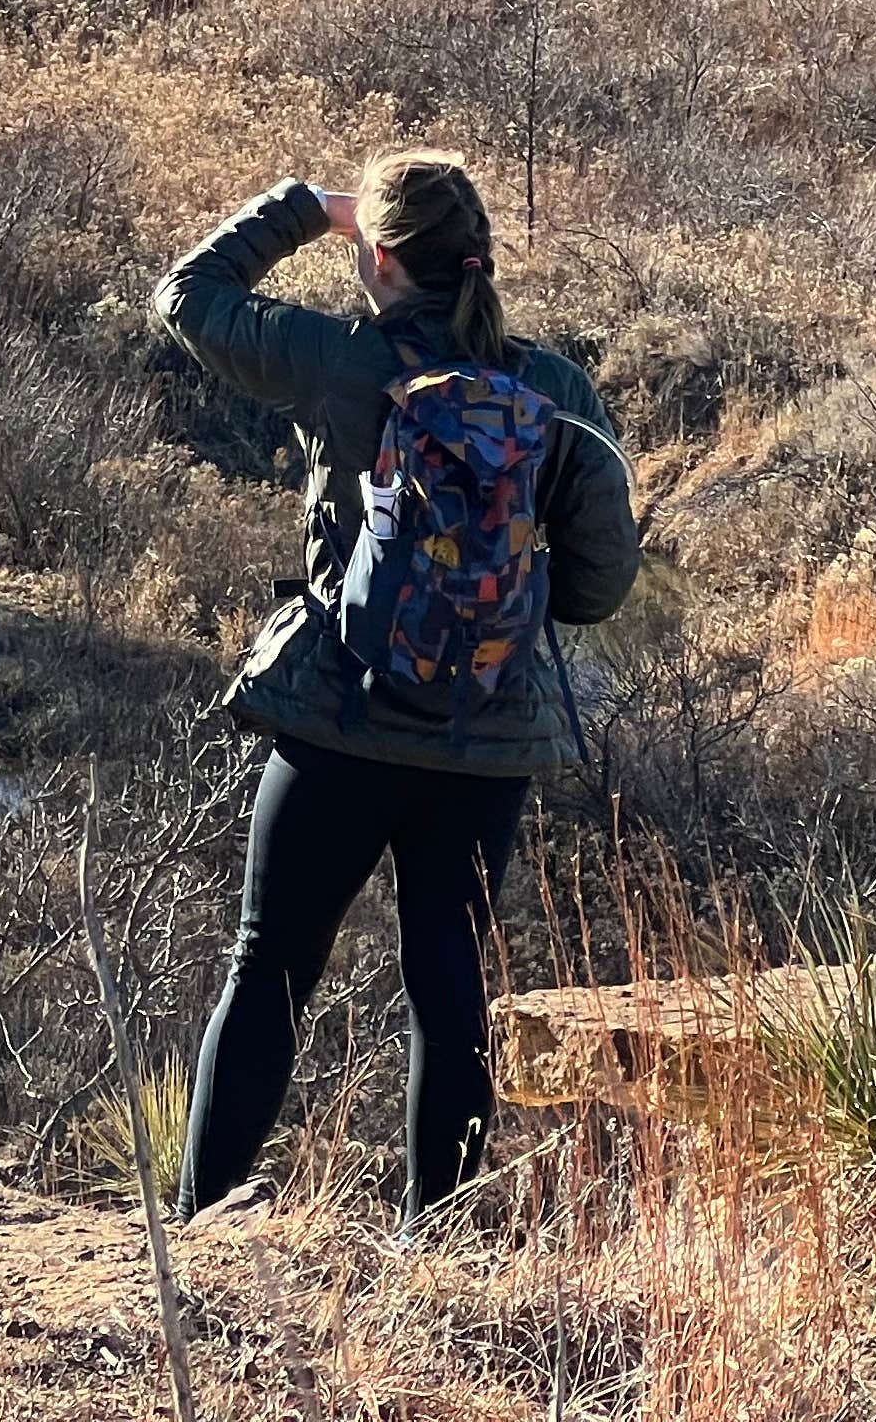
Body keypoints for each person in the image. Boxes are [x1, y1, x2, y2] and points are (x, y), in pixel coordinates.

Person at [151, 151, 642, 1224]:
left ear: (375, 257)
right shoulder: (556, 393)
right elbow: (602, 585)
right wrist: (494, 605)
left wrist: (300, 208)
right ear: (482, 259)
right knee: (449, 986)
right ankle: (441, 1246)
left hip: (342, 718)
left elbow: (185, 298)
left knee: (269, 966)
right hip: (487, 740)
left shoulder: (338, 362)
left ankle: (205, 1222)